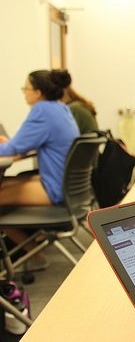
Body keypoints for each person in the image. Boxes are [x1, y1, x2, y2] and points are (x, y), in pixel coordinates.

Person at [0, 69, 80, 267]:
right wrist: (10, 145)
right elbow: (25, 144)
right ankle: (34, 245)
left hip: (55, 189)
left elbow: (14, 147)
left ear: (37, 93)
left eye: (25, 89)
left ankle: (33, 253)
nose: (24, 93)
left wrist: (6, 145)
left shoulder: (42, 110)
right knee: (8, 182)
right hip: (69, 187)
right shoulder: (61, 108)